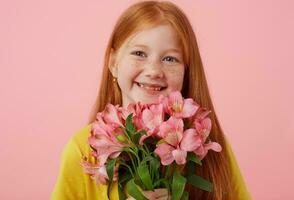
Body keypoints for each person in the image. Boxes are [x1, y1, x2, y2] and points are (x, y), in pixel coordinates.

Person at [51, 1, 251, 200]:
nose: (154, 71)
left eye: (170, 58)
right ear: (113, 63)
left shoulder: (204, 141)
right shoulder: (83, 149)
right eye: (139, 54)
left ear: (186, 72)